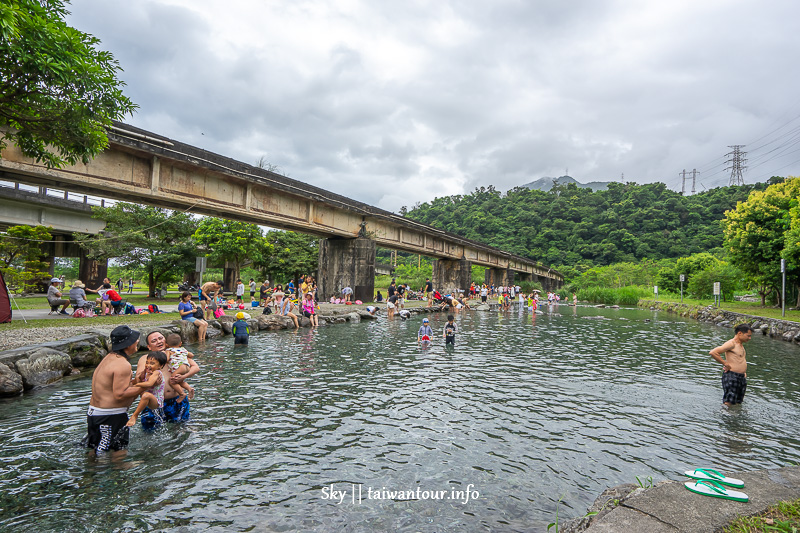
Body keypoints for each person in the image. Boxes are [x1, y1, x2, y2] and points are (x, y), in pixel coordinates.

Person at [83, 325, 142, 453]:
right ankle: (120, 472)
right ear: (127, 344)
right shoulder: (122, 364)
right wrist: (146, 386)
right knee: (117, 453)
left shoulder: (108, 358)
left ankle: (93, 472)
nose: (137, 341)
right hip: (110, 417)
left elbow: (116, 388)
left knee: (95, 450)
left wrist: (138, 383)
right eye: (134, 339)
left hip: (96, 414)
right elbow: (120, 394)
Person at [138, 331, 200, 430]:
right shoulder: (145, 358)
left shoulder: (175, 352)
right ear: (149, 346)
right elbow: (139, 377)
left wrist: (184, 377)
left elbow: (195, 367)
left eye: (160, 338)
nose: (158, 342)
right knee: (150, 431)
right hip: (155, 402)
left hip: (176, 400)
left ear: (166, 341)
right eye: (154, 341)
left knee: (182, 428)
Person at [709, 324, 753, 406]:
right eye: (748, 336)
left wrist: (744, 372)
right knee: (729, 400)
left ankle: (735, 417)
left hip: (741, 377)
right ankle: (726, 417)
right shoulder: (731, 344)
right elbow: (713, 352)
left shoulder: (740, 345)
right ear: (740, 333)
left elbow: (740, 359)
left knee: (738, 401)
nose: (749, 338)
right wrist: (725, 363)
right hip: (732, 376)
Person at [125, 351, 167, 427]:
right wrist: (139, 379)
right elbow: (134, 381)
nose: (148, 365)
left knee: (146, 395)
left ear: (160, 366)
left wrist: (137, 385)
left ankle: (134, 415)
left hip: (156, 401)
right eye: (147, 362)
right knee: (140, 393)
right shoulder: (146, 372)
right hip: (147, 401)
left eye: (152, 363)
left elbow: (149, 384)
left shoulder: (157, 372)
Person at [165, 333, 195, 400]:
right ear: (180, 343)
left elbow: (167, 359)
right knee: (178, 381)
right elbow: (191, 355)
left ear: (167, 345)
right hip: (187, 367)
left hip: (180, 367)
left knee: (171, 381)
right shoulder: (183, 349)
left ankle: (182, 394)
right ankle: (189, 389)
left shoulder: (169, 350)